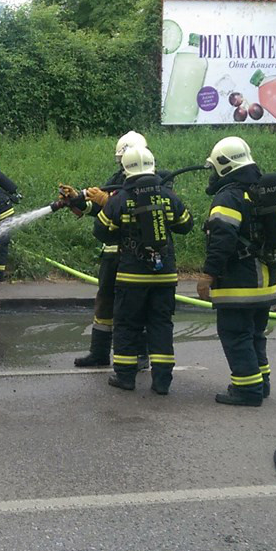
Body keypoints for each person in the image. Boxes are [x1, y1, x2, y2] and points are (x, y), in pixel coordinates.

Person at [87, 145, 193, 393]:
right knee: (161, 325)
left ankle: (125, 377)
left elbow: (100, 232)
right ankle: (162, 381)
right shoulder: (168, 196)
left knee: (127, 324)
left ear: (125, 169)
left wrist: (122, 232)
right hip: (165, 275)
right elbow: (186, 225)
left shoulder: (120, 200)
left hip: (131, 276)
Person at [197, 136, 276, 406]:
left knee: (235, 334)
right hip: (265, 282)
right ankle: (261, 383)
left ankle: (247, 390)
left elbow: (222, 239)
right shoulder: (259, 191)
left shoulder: (229, 196)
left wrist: (208, 274)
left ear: (224, 165)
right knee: (254, 334)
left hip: (240, 282)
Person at [62, 130, 151, 369]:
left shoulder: (152, 182)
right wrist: (77, 200)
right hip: (111, 255)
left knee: (134, 307)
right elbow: (99, 209)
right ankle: (99, 352)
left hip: (134, 256)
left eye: (124, 159)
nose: (122, 165)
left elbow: (131, 212)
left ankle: (141, 354)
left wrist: (106, 201)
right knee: (104, 303)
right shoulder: (119, 177)